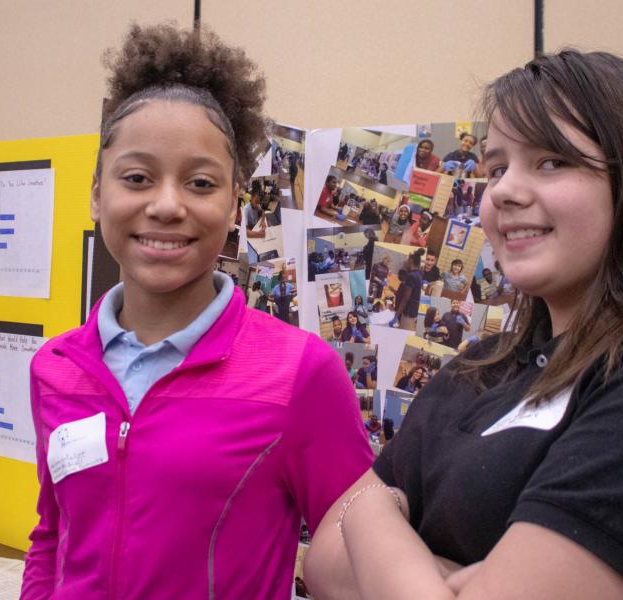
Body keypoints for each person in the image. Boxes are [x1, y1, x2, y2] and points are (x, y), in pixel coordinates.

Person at [305, 50, 623, 600]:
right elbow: (323, 564)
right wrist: (382, 523)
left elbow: (350, 537)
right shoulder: (478, 369)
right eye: (496, 167)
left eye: (551, 161)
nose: (503, 190)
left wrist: (368, 515)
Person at [21, 25, 372, 599]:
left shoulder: (298, 374)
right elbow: (52, 536)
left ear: (235, 202)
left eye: (200, 182)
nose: (165, 205)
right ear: (95, 193)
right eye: (136, 178)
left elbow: (362, 550)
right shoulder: (55, 368)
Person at [393, 249, 425, 330]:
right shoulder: (419, 273)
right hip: (413, 310)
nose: (405, 262)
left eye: (406, 260)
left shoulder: (411, 276)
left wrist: (396, 315)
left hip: (408, 311)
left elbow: (406, 298)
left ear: (410, 260)